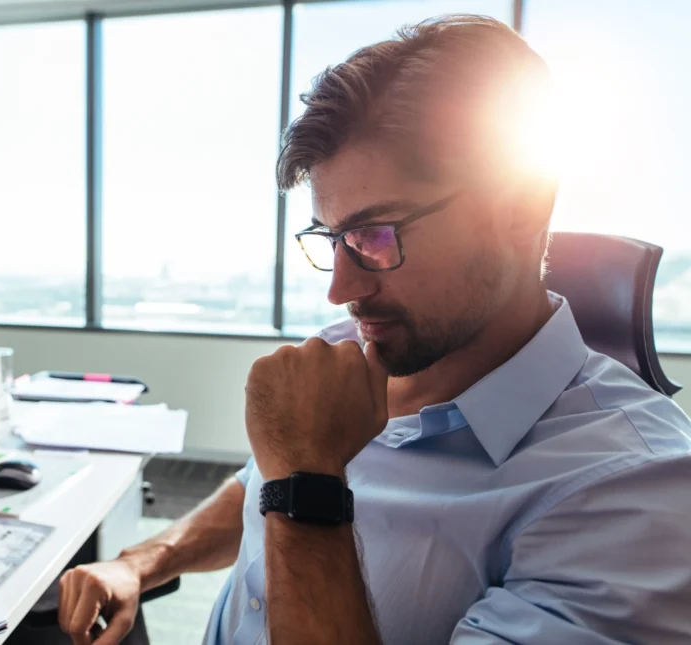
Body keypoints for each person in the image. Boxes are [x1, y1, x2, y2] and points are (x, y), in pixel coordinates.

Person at [57, 14, 691, 645]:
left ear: (521, 209)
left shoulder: (633, 495)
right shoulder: (351, 351)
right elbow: (256, 489)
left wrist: (307, 484)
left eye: (376, 235)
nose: (340, 290)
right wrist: (144, 561)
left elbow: (287, 484)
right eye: (333, 239)